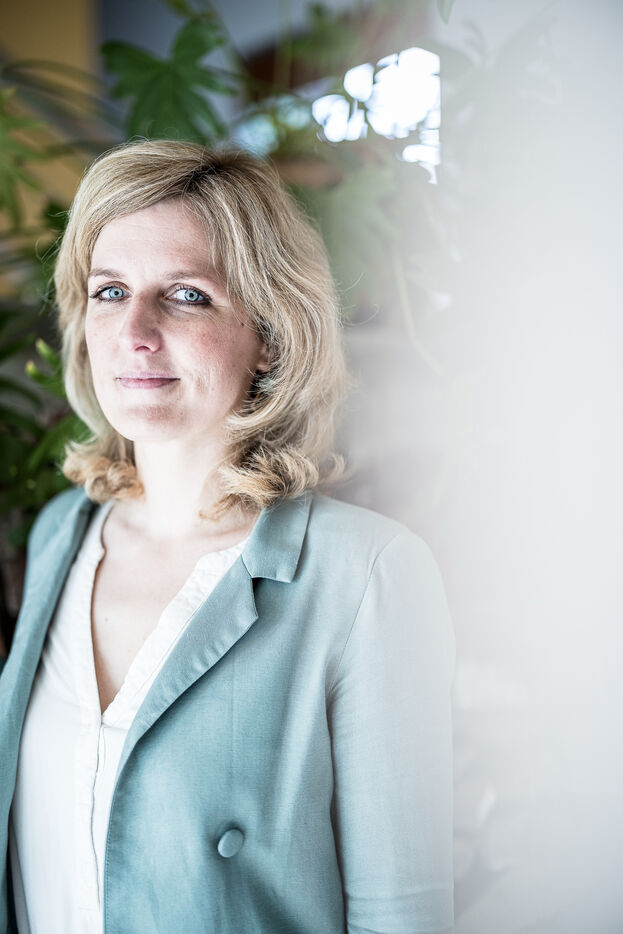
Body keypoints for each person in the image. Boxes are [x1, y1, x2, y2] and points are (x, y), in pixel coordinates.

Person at [0, 140, 455, 934]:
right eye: (110, 291)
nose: (135, 330)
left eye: (185, 295)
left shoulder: (365, 574)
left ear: (270, 335)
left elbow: (402, 916)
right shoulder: (58, 538)